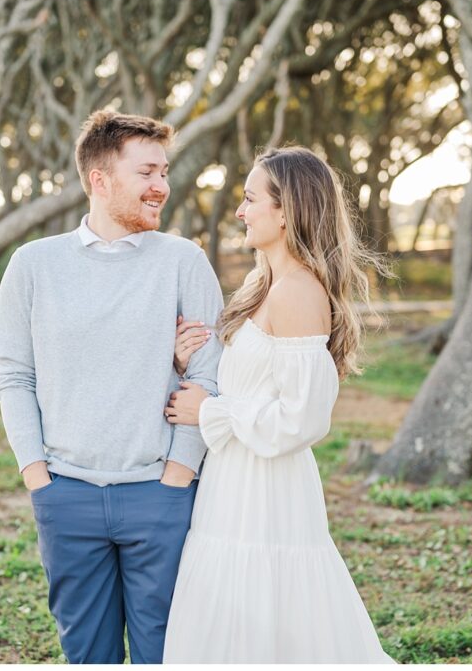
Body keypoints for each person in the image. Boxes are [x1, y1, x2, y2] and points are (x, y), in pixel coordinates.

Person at [0, 110, 224, 664]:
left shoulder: (184, 262)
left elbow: (210, 374)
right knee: (87, 656)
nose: (161, 186)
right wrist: (37, 475)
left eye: (164, 172)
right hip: (65, 494)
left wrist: (177, 476)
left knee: (164, 654)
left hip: (160, 495)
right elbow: (14, 375)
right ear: (100, 179)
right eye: (147, 173)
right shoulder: (33, 265)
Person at [162, 146, 395, 663]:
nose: (240, 211)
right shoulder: (261, 283)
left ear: (285, 211)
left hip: (265, 494)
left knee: (266, 619)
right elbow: (248, 382)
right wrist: (188, 363)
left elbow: (303, 419)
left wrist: (209, 413)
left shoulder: (298, 292)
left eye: (249, 200)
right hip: (232, 482)